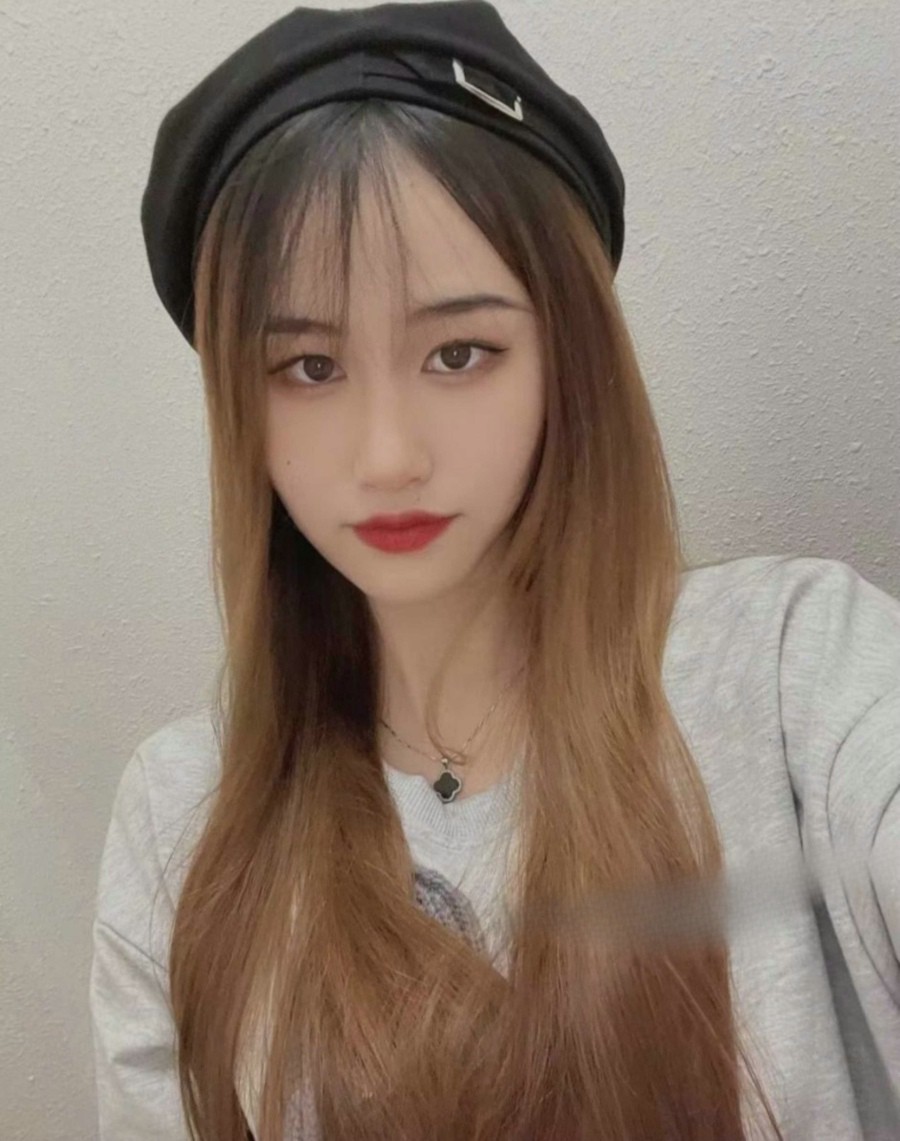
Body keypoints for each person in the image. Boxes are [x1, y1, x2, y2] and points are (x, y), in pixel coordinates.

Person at [88, 3, 900, 1139]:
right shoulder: (186, 815)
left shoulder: (791, 678)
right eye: (309, 366)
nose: (387, 456)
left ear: (566, 353)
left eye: (458, 352)